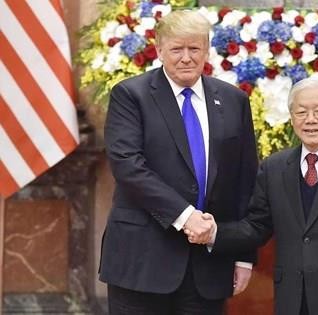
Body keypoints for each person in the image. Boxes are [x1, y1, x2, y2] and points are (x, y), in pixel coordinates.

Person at [99, 10, 258, 314]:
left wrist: (242, 255)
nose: (186, 58)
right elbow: (128, 165)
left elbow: (244, 180)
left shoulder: (233, 100)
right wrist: (186, 217)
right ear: (159, 50)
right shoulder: (131, 95)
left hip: (208, 266)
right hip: (141, 262)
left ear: (207, 50)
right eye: (176, 49)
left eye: (194, 48)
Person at [193, 77, 318, 315]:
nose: (310, 120)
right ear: (291, 116)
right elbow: (257, 226)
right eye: (301, 112)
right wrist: (214, 233)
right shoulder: (274, 167)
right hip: (291, 301)